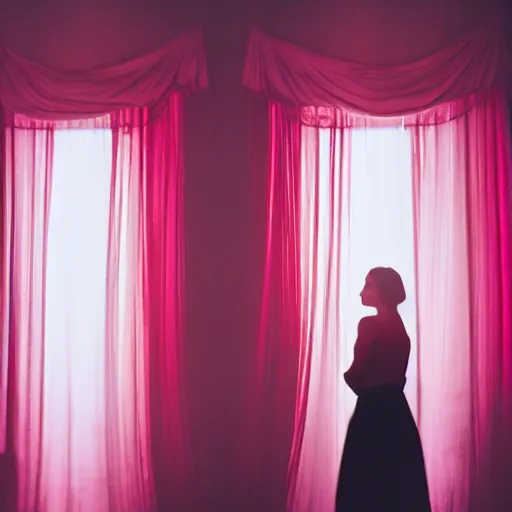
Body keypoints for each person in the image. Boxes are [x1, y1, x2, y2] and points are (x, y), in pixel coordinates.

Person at [335, 267, 431, 511]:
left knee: (365, 485)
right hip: (398, 414)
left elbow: (357, 373)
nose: (361, 292)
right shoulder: (402, 332)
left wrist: (354, 381)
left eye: (368, 285)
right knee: (397, 486)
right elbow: (398, 379)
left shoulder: (369, 325)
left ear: (383, 291)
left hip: (372, 412)